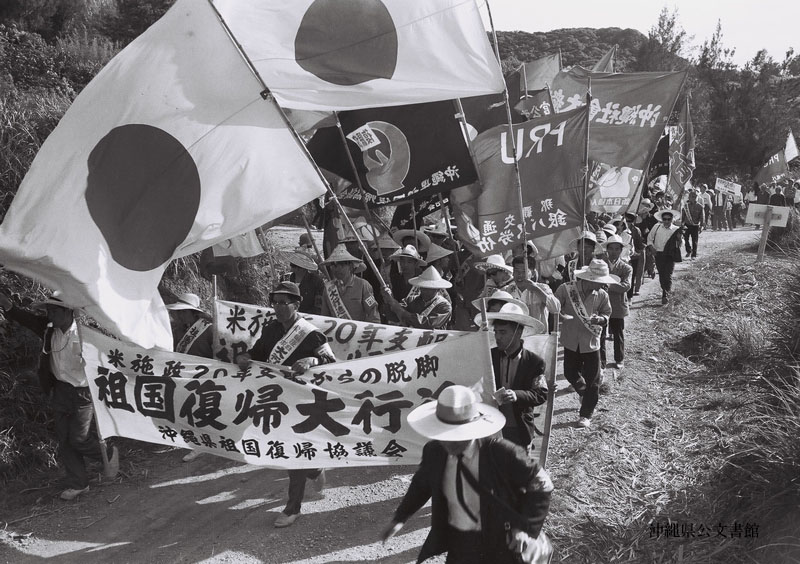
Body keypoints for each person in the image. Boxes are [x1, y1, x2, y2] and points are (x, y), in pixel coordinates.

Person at [382, 385, 553, 564]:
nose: (449, 442)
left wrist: (524, 528)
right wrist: (400, 518)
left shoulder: (501, 452)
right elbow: (421, 484)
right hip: (460, 541)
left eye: (457, 435)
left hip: (499, 540)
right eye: (443, 435)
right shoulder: (434, 451)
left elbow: (542, 483)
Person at [0, 291, 119, 500]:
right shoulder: (48, 330)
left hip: (84, 393)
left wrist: (91, 361)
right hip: (60, 390)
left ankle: (107, 454)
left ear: (67, 312)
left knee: (79, 438)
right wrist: (4, 301)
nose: (50, 315)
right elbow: (18, 314)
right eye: (48, 311)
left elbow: (107, 361)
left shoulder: (85, 334)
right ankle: (79, 483)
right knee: (64, 440)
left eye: (54, 311)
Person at [235, 282, 335, 528]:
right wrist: (245, 357)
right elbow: (258, 353)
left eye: (284, 302)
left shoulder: (311, 333)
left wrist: (312, 359)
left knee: (293, 454)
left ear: (296, 304)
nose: (278, 307)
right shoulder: (270, 329)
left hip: (303, 402)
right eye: (275, 302)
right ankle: (314, 469)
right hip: (276, 399)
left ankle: (292, 508)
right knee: (288, 451)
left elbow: (330, 361)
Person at [554, 259, 614, 428]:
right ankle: (584, 393)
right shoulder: (566, 289)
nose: (601, 285)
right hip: (571, 340)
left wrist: (600, 319)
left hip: (591, 342)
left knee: (593, 380)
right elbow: (554, 306)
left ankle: (586, 414)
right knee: (570, 373)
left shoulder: (602, 295)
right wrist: (559, 314)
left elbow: (607, 313)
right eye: (599, 282)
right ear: (589, 279)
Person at [487, 304, 548, 456]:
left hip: (519, 428)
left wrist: (517, 395)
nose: (498, 337)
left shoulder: (534, 362)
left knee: (518, 472)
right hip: (491, 426)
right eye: (496, 332)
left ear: (518, 332)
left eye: (503, 332)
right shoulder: (488, 356)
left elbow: (540, 394)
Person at [320, 245, 380, 322]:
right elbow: (325, 316)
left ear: (350, 266)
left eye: (341, 265)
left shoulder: (363, 285)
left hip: (358, 331)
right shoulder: (328, 287)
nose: (336, 269)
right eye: (333, 266)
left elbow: (373, 313)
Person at [383, 266, 452, 329]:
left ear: (438, 289)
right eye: (423, 287)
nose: (424, 290)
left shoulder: (444, 307)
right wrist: (388, 301)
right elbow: (393, 317)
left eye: (429, 288)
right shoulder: (410, 300)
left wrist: (402, 311)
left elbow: (428, 324)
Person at [603, 235, 632, 370]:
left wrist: (607, 285)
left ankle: (619, 358)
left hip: (617, 304)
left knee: (618, 333)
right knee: (600, 333)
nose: (614, 252)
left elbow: (626, 286)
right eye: (611, 249)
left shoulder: (626, 268)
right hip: (600, 304)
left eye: (617, 249)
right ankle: (601, 361)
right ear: (607, 250)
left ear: (621, 251)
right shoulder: (600, 264)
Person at [509, 255, 560, 333]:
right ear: (513, 272)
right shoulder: (508, 290)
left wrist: (536, 290)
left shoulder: (543, 288)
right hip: (516, 338)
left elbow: (556, 308)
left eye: (524, 271)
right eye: (517, 271)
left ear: (532, 273)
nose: (520, 275)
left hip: (538, 338)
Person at [647, 209, 682, 305]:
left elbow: (679, 244)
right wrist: (652, 248)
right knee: (662, 275)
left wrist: (679, 239)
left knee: (668, 275)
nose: (666, 221)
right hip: (659, 254)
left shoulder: (676, 229)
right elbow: (649, 239)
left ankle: (665, 294)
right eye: (664, 219)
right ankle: (665, 290)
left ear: (672, 219)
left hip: (670, 255)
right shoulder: (656, 227)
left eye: (668, 219)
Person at [166, 293, 214, 358]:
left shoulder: (209, 329)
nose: (180, 315)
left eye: (184, 312)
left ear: (194, 312)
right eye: (179, 311)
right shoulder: (178, 330)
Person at [284, 248, 325, 315]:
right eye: (292, 265)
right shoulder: (286, 279)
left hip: (309, 318)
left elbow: (319, 306)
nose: (292, 268)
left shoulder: (316, 281)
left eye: (294, 265)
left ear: (302, 268)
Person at [681, 191, 705, 258]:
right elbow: (683, 216)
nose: (694, 198)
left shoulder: (700, 207)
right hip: (687, 225)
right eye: (692, 197)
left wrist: (702, 226)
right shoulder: (686, 207)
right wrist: (682, 225)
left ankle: (694, 255)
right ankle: (688, 250)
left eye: (695, 197)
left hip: (695, 225)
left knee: (695, 241)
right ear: (689, 197)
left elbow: (702, 217)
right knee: (686, 239)